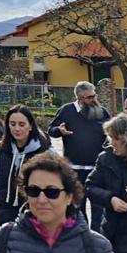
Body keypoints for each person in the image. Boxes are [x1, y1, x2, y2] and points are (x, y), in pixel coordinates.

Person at [0, 152, 124, 253]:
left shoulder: (96, 247)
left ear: (69, 197)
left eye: (52, 192)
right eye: (33, 191)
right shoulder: (7, 236)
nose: (41, 199)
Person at [48, 81, 110, 231]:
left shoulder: (101, 112)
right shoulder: (67, 110)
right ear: (79, 98)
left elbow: (112, 133)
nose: (93, 99)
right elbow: (51, 129)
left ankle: (96, 239)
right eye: (89, 97)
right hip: (74, 169)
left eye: (94, 95)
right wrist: (59, 131)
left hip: (97, 169)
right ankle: (81, 237)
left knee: (98, 209)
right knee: (77, 208)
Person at [87, 113, 127, 253]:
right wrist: (110, 199)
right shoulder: (105, 158)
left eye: (115, 138)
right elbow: (90, 186)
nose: (112, 143)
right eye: (110, 137)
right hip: (114, 233)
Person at [0, 104, 52, 227]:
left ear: (31, 126)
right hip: (3, 211)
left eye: (21, 125)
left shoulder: (45, 152)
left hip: (33, 213)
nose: (17, 129)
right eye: (12, 124)